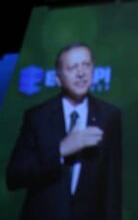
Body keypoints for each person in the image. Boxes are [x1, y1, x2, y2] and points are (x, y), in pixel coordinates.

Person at [6, 43, 122, 220]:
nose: (81, 73)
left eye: (86, 65)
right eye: (73, 67)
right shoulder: (38, 117)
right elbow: (14, 176)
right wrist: (60, 150)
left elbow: (112, 187)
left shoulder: (109, 116)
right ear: (58, 79)